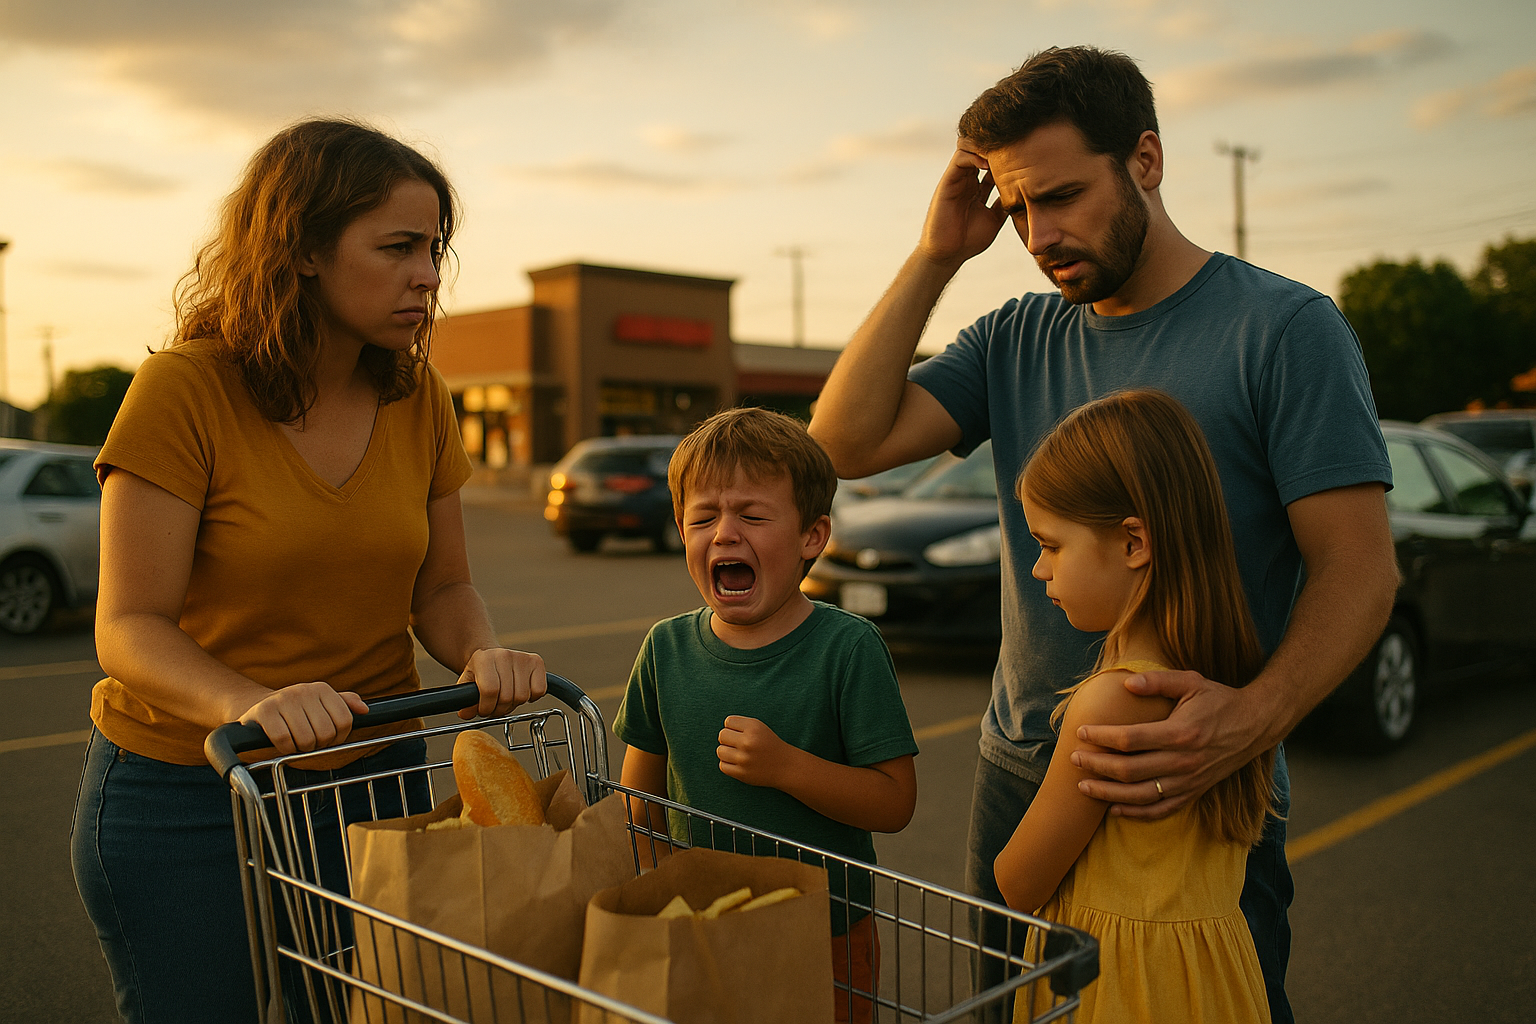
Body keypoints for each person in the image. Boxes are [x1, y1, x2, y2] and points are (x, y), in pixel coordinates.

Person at [807, 46, 1399, 1023]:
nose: (1040, 231)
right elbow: (844, 440)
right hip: (1023, 767)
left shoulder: (1285, 329)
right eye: (1018, 206)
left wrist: (1246, 723)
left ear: (1148, 162)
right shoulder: (1015, 335)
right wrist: (938, 255)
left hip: (1193, 774)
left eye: (1065, 195)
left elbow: (1361, 569)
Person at [71, 119, 548, 1024]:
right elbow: (129, 625)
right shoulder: (186, 390)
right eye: (398, 246)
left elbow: (441, 589)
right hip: (194, 795)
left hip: (375, 788)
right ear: (301, 252)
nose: (428, 274)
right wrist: (250, 701)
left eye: (436, 248)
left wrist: (481, 653)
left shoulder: (421, 397)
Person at [613, 407, 919, 1023]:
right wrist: (651, 890)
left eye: (752, 515)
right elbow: (639, 797)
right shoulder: (665, 649)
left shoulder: (848, 649)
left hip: (824, 933)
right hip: (700, 923)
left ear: (812, 536)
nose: (724, 533)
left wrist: (788, 768)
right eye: (703, 517)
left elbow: (894, 803)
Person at [996, 389, 1274, 1023]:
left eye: (1052, 544)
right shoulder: (1223, 687)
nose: (1038, 569)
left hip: (1119, 987)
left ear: (1133, 543)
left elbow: (1019, 880)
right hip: (1212, 979)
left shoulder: (1116, 700)